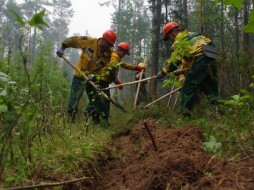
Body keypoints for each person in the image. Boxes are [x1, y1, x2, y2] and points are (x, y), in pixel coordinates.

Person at [156, 21, 219, 117]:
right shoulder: (194, 34)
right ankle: (218, 112)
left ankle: (185, 116)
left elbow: (175, 60)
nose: (170, 40)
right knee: (210, 88)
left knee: (187, 88)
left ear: (173, 32)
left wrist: (163, 72)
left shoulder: (180, 40)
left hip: (201, 60)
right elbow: (211, 45)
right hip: (211, 59)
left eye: (169, 37)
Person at [56, 29, 117, 123]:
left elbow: (104, 69)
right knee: (74, 98)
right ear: (103, 39)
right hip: (79, 74)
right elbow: (74, 40)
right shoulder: (89, 41)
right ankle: (70, 120)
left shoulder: (109, 54)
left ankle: (94, 119)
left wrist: (95, 76)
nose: (109, 46)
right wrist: (63, 47)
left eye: (110, 45)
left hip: (92, 78)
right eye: (108, 43)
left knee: (96, 100)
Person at [93, 42, 145, 123]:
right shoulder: (114, 57)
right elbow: (110, 71)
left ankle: (98, 120)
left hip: (103, 81)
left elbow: (125, 65)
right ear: (121, 51)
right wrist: (117, 82)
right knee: (105, 101)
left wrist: (137, 68)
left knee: (102, 100)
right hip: (101, 81)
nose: (124, 55)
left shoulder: (117, 58)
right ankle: (103, 121)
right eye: (124, 53)